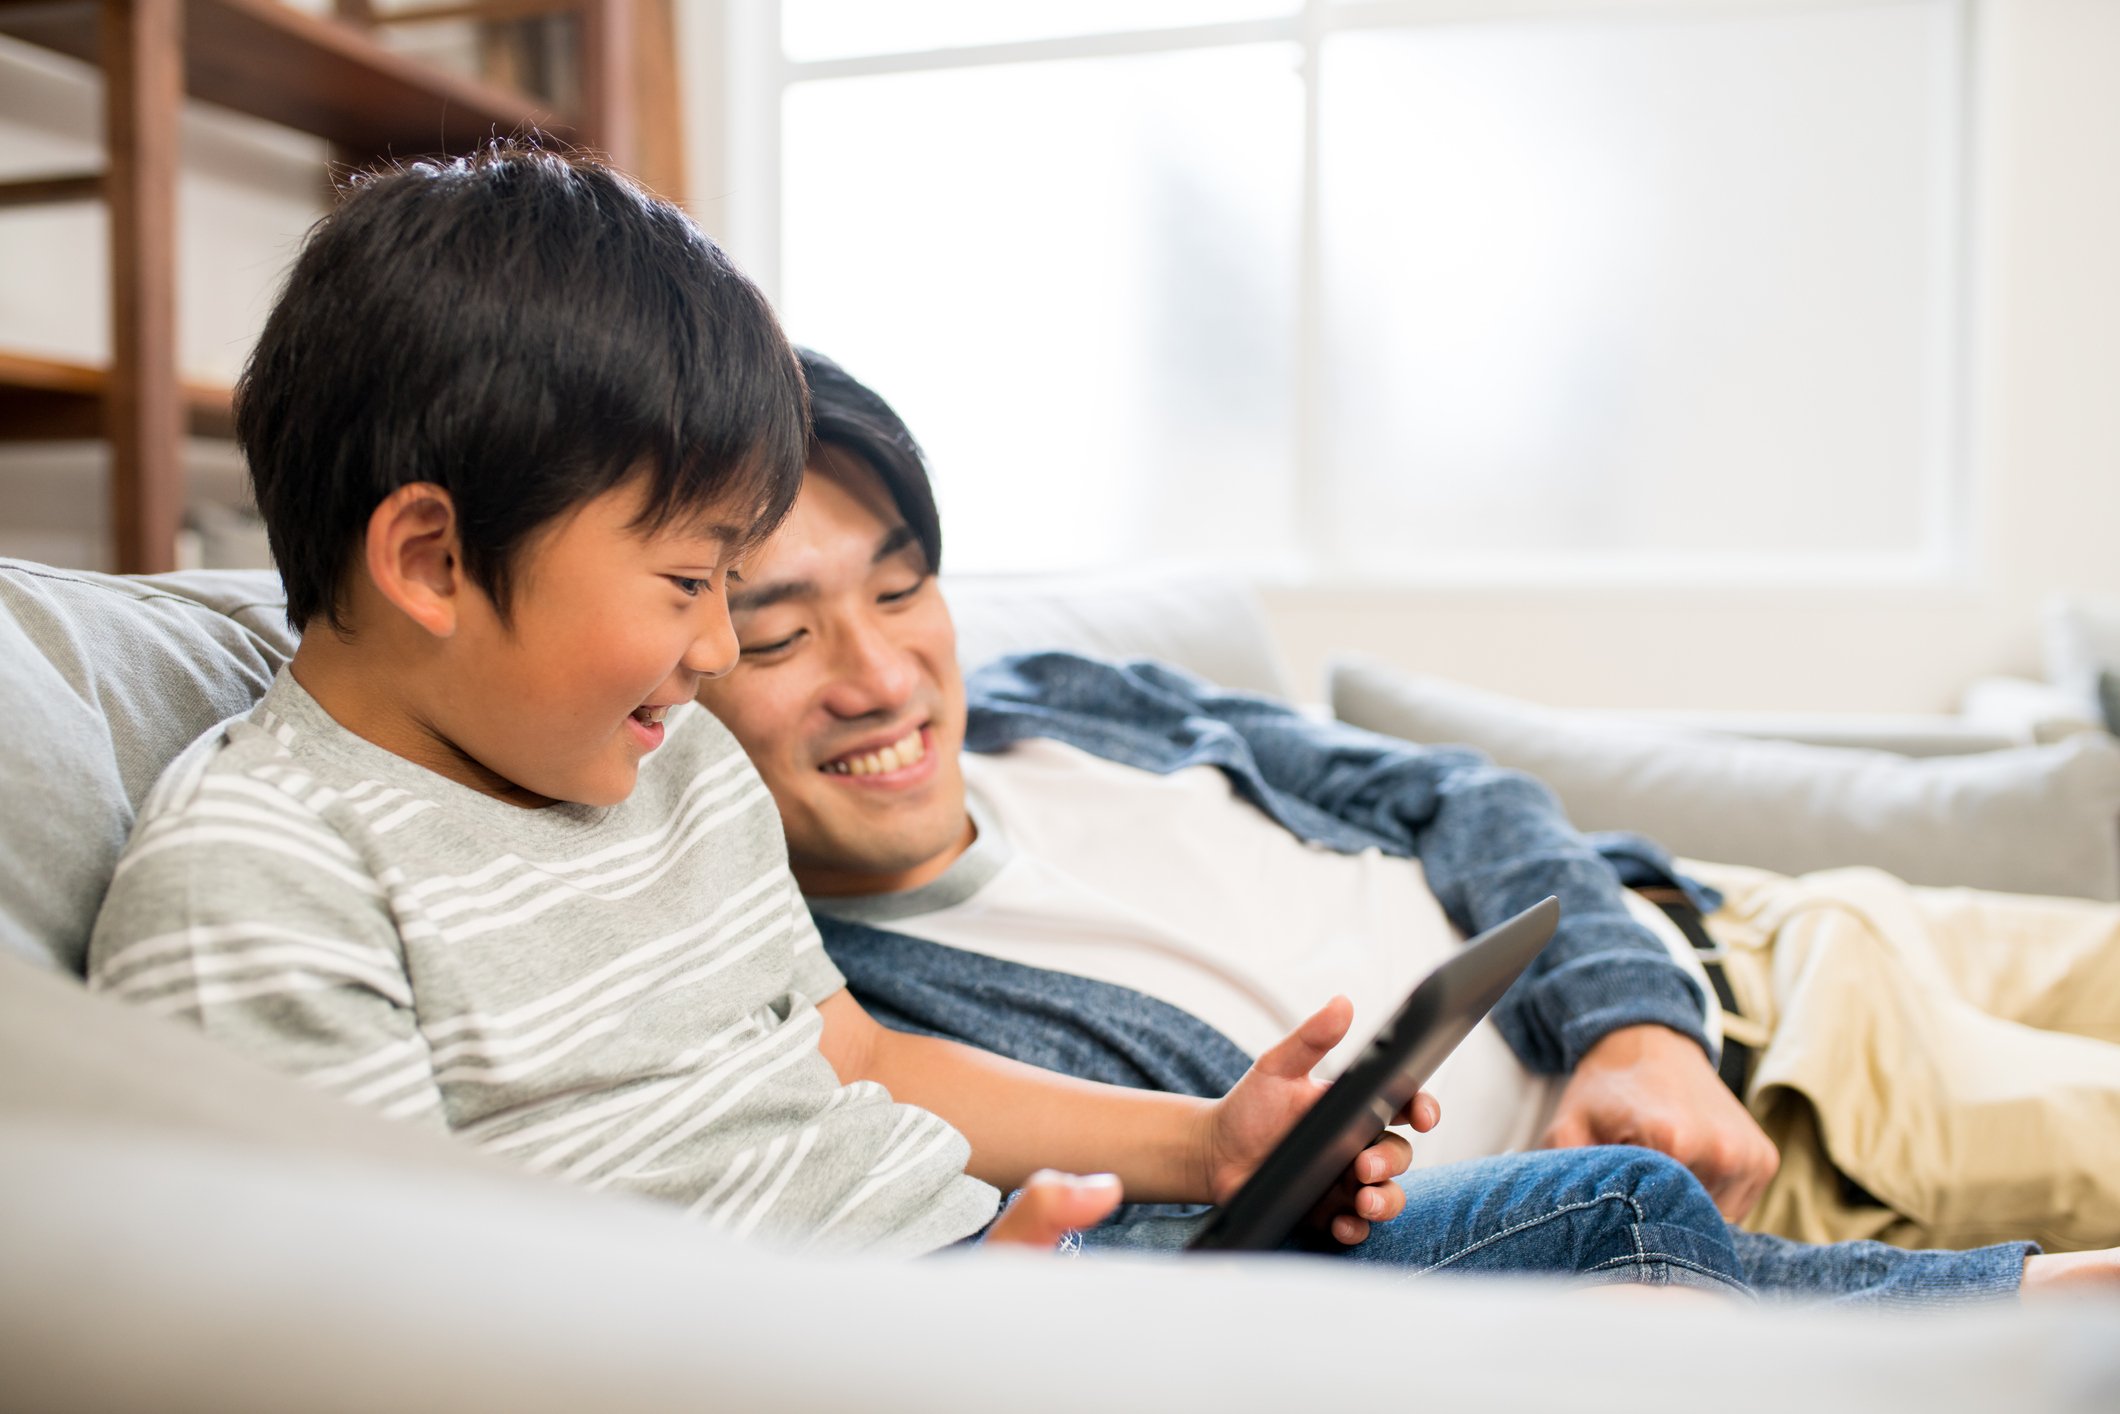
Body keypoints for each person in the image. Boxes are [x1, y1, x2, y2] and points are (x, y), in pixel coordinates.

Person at [85, 142, 1798, 1292]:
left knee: (1608, 1213)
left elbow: (860, 1057)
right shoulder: (258, 881)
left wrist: (1208, 1142)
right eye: (694, 585)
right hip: (862, 1349)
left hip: (1003, 1286)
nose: (706, 663)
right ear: (435, 558)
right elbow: (400, 1336)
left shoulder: (660, 773)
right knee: (1601, 1225)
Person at [692, 347, 2120, 1298]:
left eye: (896, 590)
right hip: (1800, 1105)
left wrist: (1635, 1022)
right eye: (778, 638)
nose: (880, 675)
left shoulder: (1054, 695)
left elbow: (1455, 789)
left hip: (1757, 922)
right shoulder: (872, 1029)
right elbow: (1214, 1269)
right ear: (677, 679)